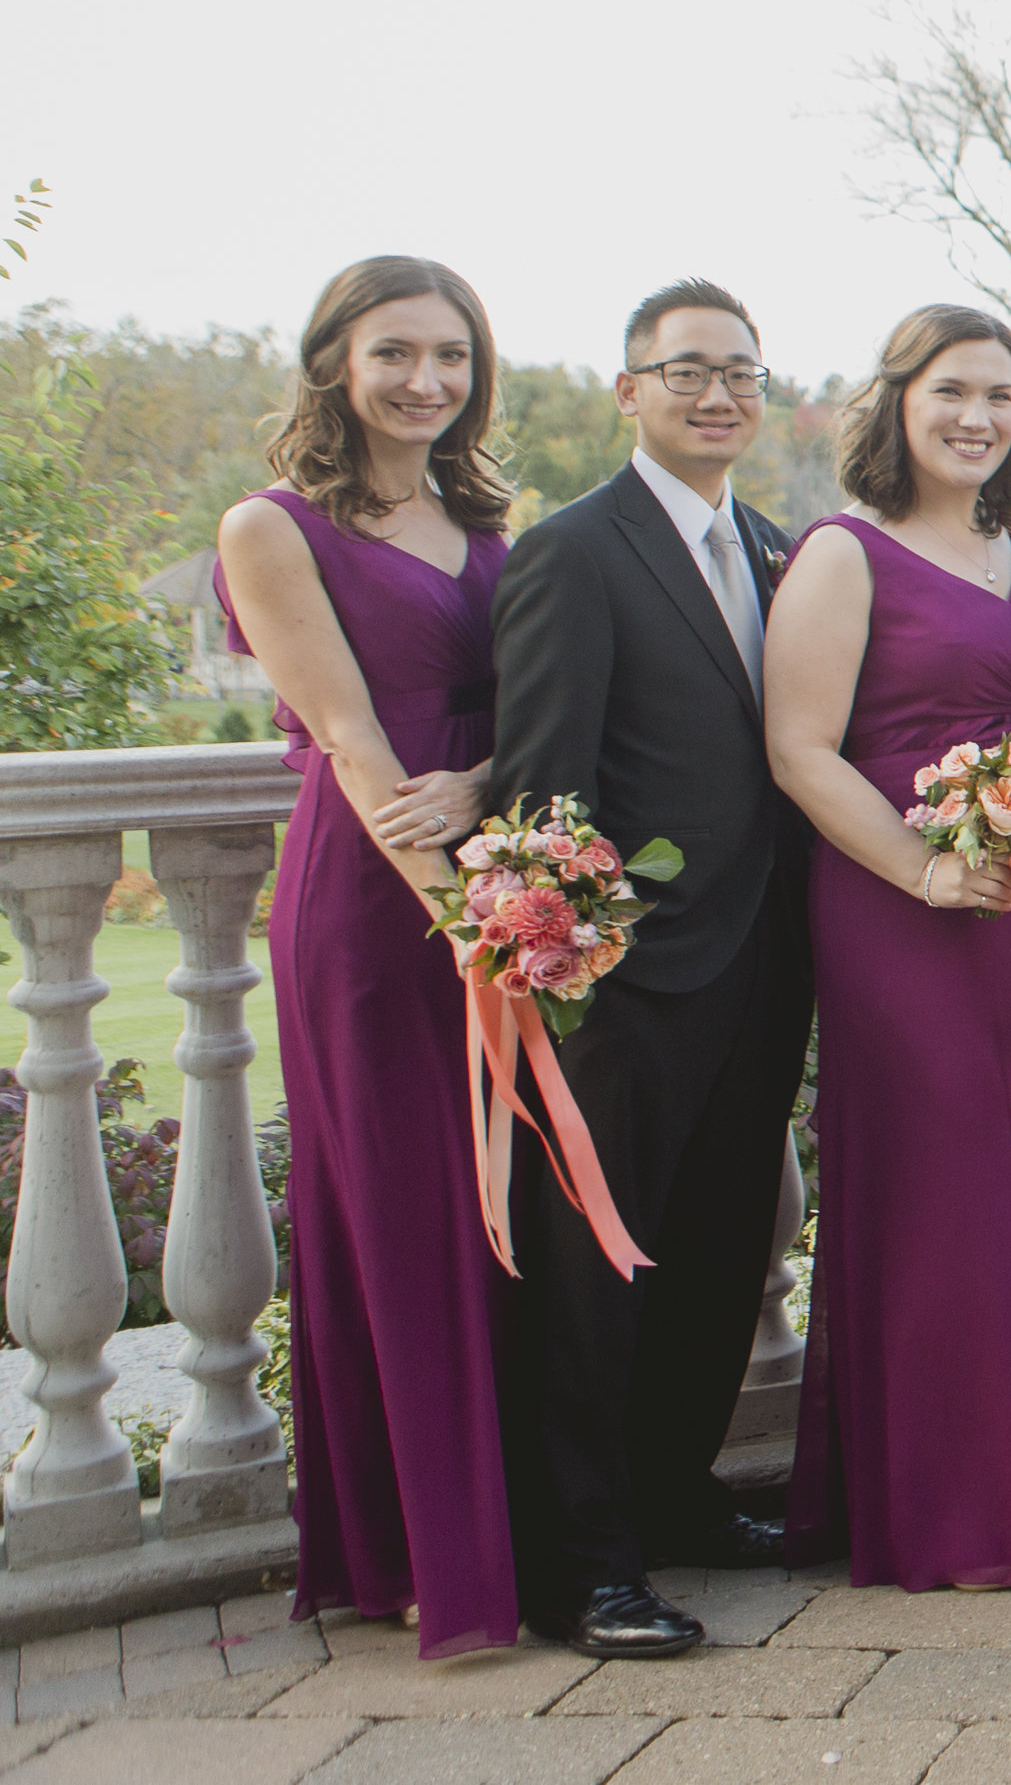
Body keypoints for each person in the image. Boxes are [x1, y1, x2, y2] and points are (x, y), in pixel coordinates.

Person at [487, 278, 817, 1658]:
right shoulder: (574, 551)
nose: (716, 393)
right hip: (623, 984)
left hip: (764, 971)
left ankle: (679, 1495)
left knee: (721, 1254)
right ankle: (584, 1564)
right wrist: (577, 963)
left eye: (739, 371)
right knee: (591, 1276)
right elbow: (545, 781)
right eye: (685, 370)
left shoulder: (785, 552)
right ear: (629, 392)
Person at [764, 307, 1011, 1591]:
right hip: (894, 911)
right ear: (896, 401)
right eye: (953, 391)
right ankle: (945, 1514)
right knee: (934, 1194)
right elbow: (798, 749)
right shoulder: (843, 554)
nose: (979, 417)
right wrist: (922, 865)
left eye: (1003, 398)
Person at [213, 257, 522, 1657]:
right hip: (372, 897)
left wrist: (500, 813)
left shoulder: (485, 519)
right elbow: (348, 736)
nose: (426, 381)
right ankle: (414, 1554)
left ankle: (511, 1526)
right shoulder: (271, 527)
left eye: (451, 356)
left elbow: (526, 709)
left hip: (506, 884)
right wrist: (460, 916)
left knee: (505, 1211)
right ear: (333, 359)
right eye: (396, 351)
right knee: (401, 1208)